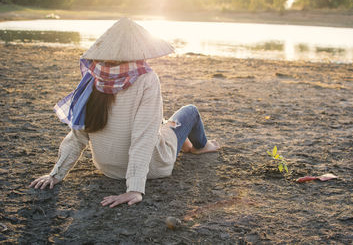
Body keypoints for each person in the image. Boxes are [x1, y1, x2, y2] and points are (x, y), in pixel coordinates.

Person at [29, 18, 220, 208]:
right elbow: (143, 137)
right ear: (140, 49)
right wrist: (134, 188)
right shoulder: (147, 78)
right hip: (153, 168)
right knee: (190, 112)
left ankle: (182, 141)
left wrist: (55, 175)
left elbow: (77, 135)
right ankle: (201, 146)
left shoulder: (93, 78)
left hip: (108, 169)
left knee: (160, 122)